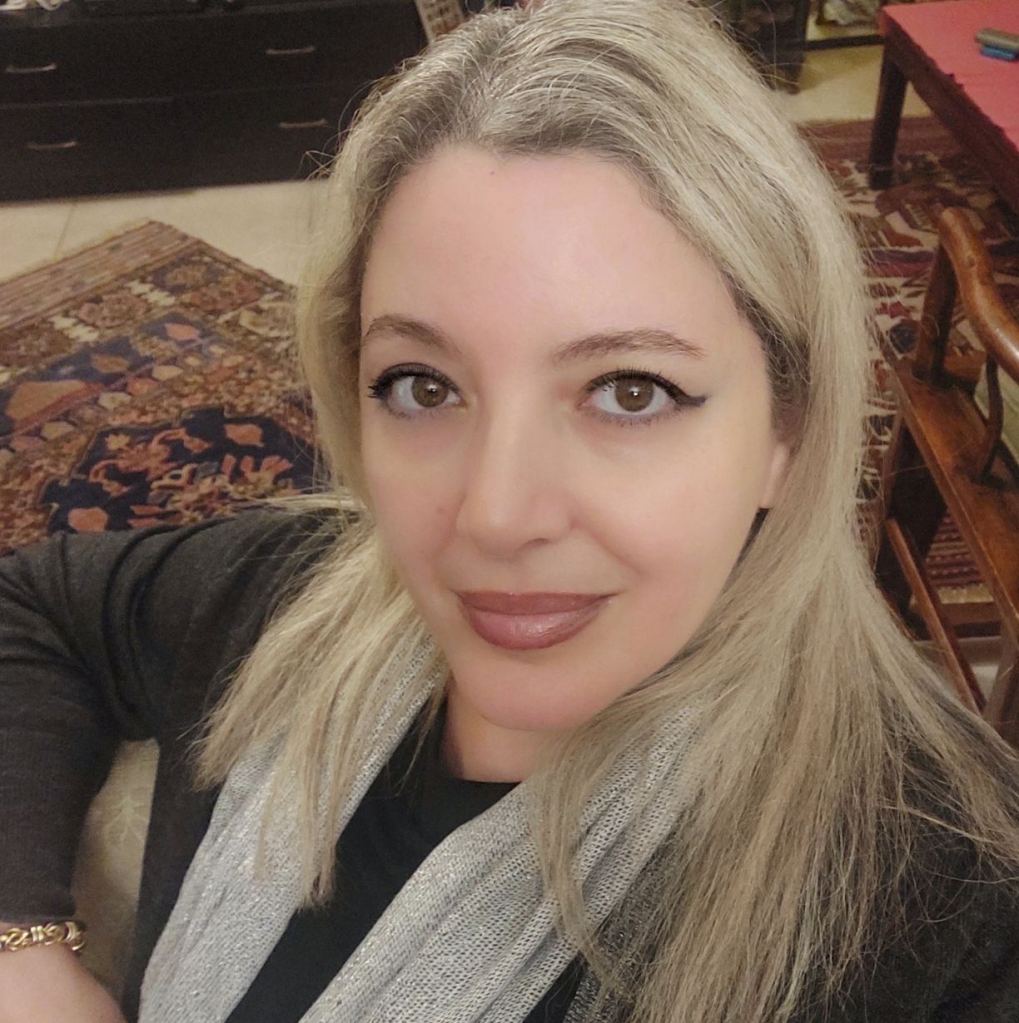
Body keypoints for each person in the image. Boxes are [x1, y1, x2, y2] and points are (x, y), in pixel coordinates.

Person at [2, 0, 1019, 1020]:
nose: (494, 516)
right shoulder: (285, 592)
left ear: (783, 431)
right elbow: (31, 607)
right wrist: (23, 948)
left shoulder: (952, 900)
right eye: (422, 386)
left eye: (629, 391)